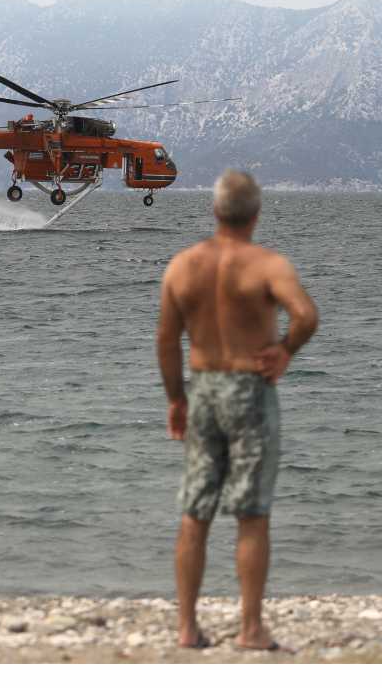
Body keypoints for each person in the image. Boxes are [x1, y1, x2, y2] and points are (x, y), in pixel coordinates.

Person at [155, 169, 318, 650]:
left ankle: (187, 628)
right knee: (251, 514)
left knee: (195, 510)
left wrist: (176, 399)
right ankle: (250, 629)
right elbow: (307, 315)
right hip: (249, 391)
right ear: (257, 213)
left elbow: (166, 342)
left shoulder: (183, 266)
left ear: (215, 211)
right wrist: (286, 348)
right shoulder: (267, 265)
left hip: (203, 388)